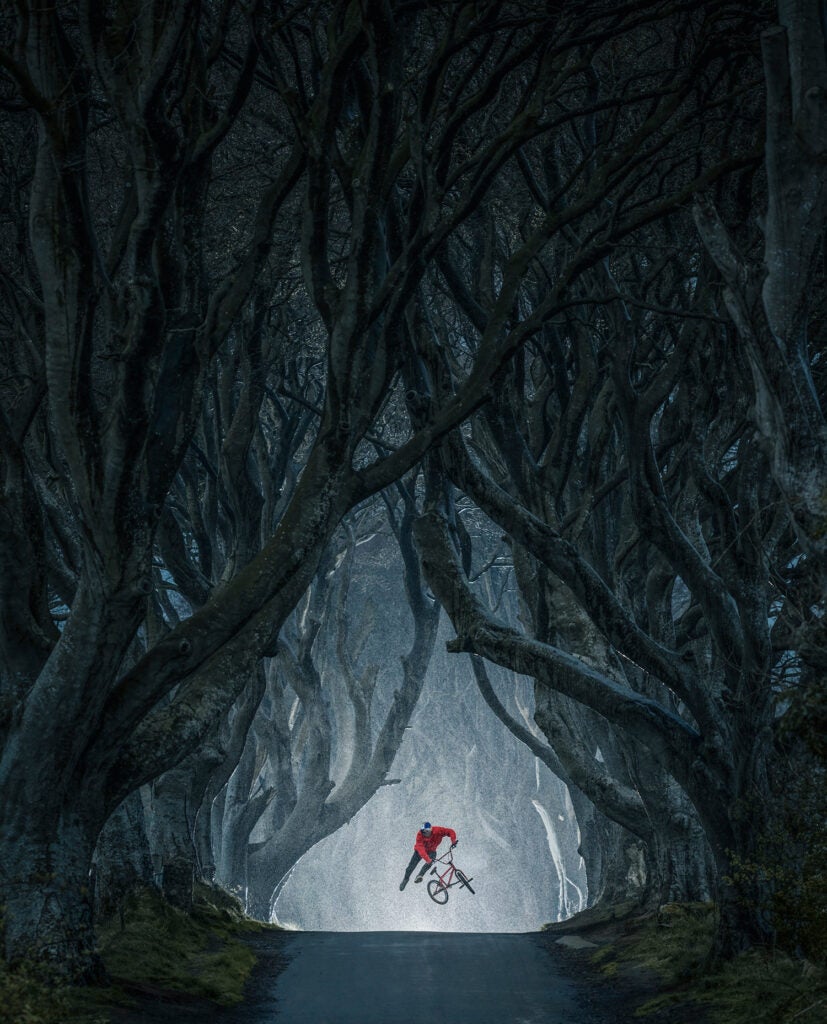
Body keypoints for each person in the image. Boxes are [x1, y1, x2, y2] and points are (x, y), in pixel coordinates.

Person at [399, 821, 457, 890]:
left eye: (426, 832)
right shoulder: (420, 835)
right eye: (423, 831)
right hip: (419, 852)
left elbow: (450, 831)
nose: (424, 833)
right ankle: (406, 879)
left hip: (431, 851)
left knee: (430, 861)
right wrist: (427, 859)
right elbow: (420, 849)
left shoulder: (438, 831)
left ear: (430, 830)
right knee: (410, 868)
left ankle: (420, 875)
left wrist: (453, 841)